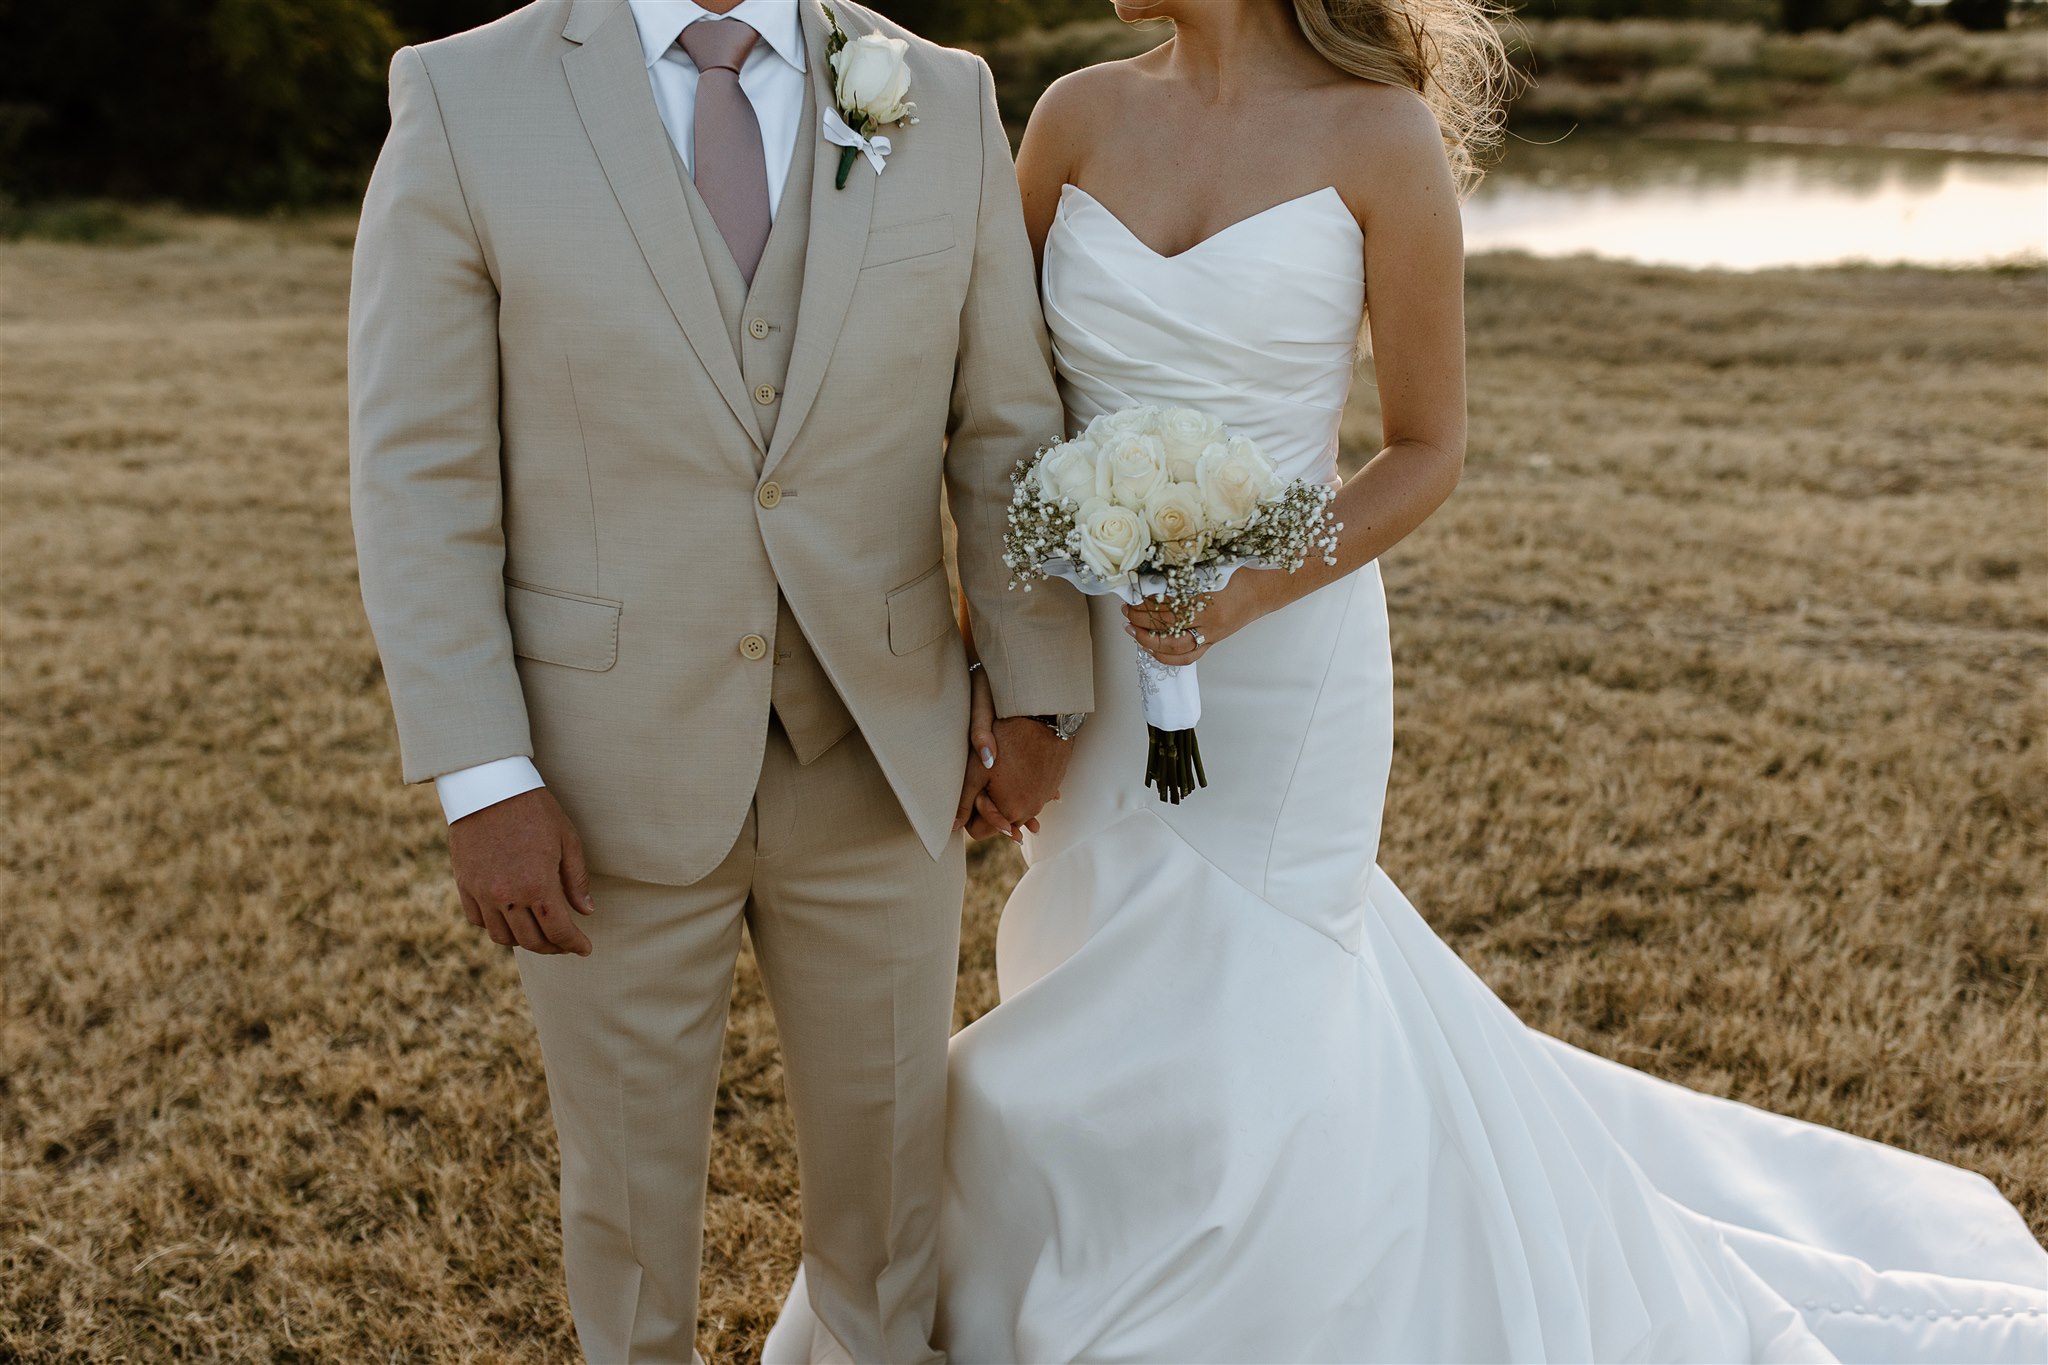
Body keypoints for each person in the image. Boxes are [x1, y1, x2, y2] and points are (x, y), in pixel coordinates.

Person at [764, 1, 2048, 1360]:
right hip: (1091, 648)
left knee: (1245, 985)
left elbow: (1426, 448)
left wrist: (1244, 587)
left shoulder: (1381, 139)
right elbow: (1001, 403)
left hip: (1288, 658)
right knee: (1098, 956)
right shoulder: (1074, 115)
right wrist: (995, 651)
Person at [347, 1, 1091, 1360]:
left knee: (892, 1208)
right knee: (626, 1220)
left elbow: (1005, 429)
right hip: (596, 775)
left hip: (881, 749)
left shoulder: (937, 90)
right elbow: (421, 479)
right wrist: (483, 775)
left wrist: (1036, 689)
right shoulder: (465, 98)